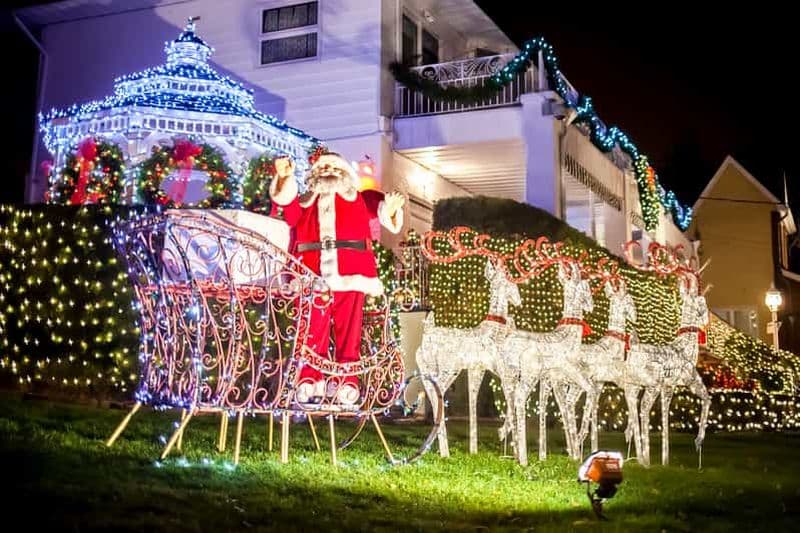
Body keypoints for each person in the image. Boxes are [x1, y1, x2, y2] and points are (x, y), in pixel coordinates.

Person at [270, 152, 405, 404]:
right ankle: (309, 378)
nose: (329, 170)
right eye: (324, 167)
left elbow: (381, 207)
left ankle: (346, 381)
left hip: (351, 272)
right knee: (312, 329)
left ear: (345, 173)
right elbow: (287, 211)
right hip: (311, 273)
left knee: (349, 331)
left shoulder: (360, 199)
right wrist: (284, 178)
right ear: (314, 175)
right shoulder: (305, 202)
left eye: (334, 166)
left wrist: (392, 209)